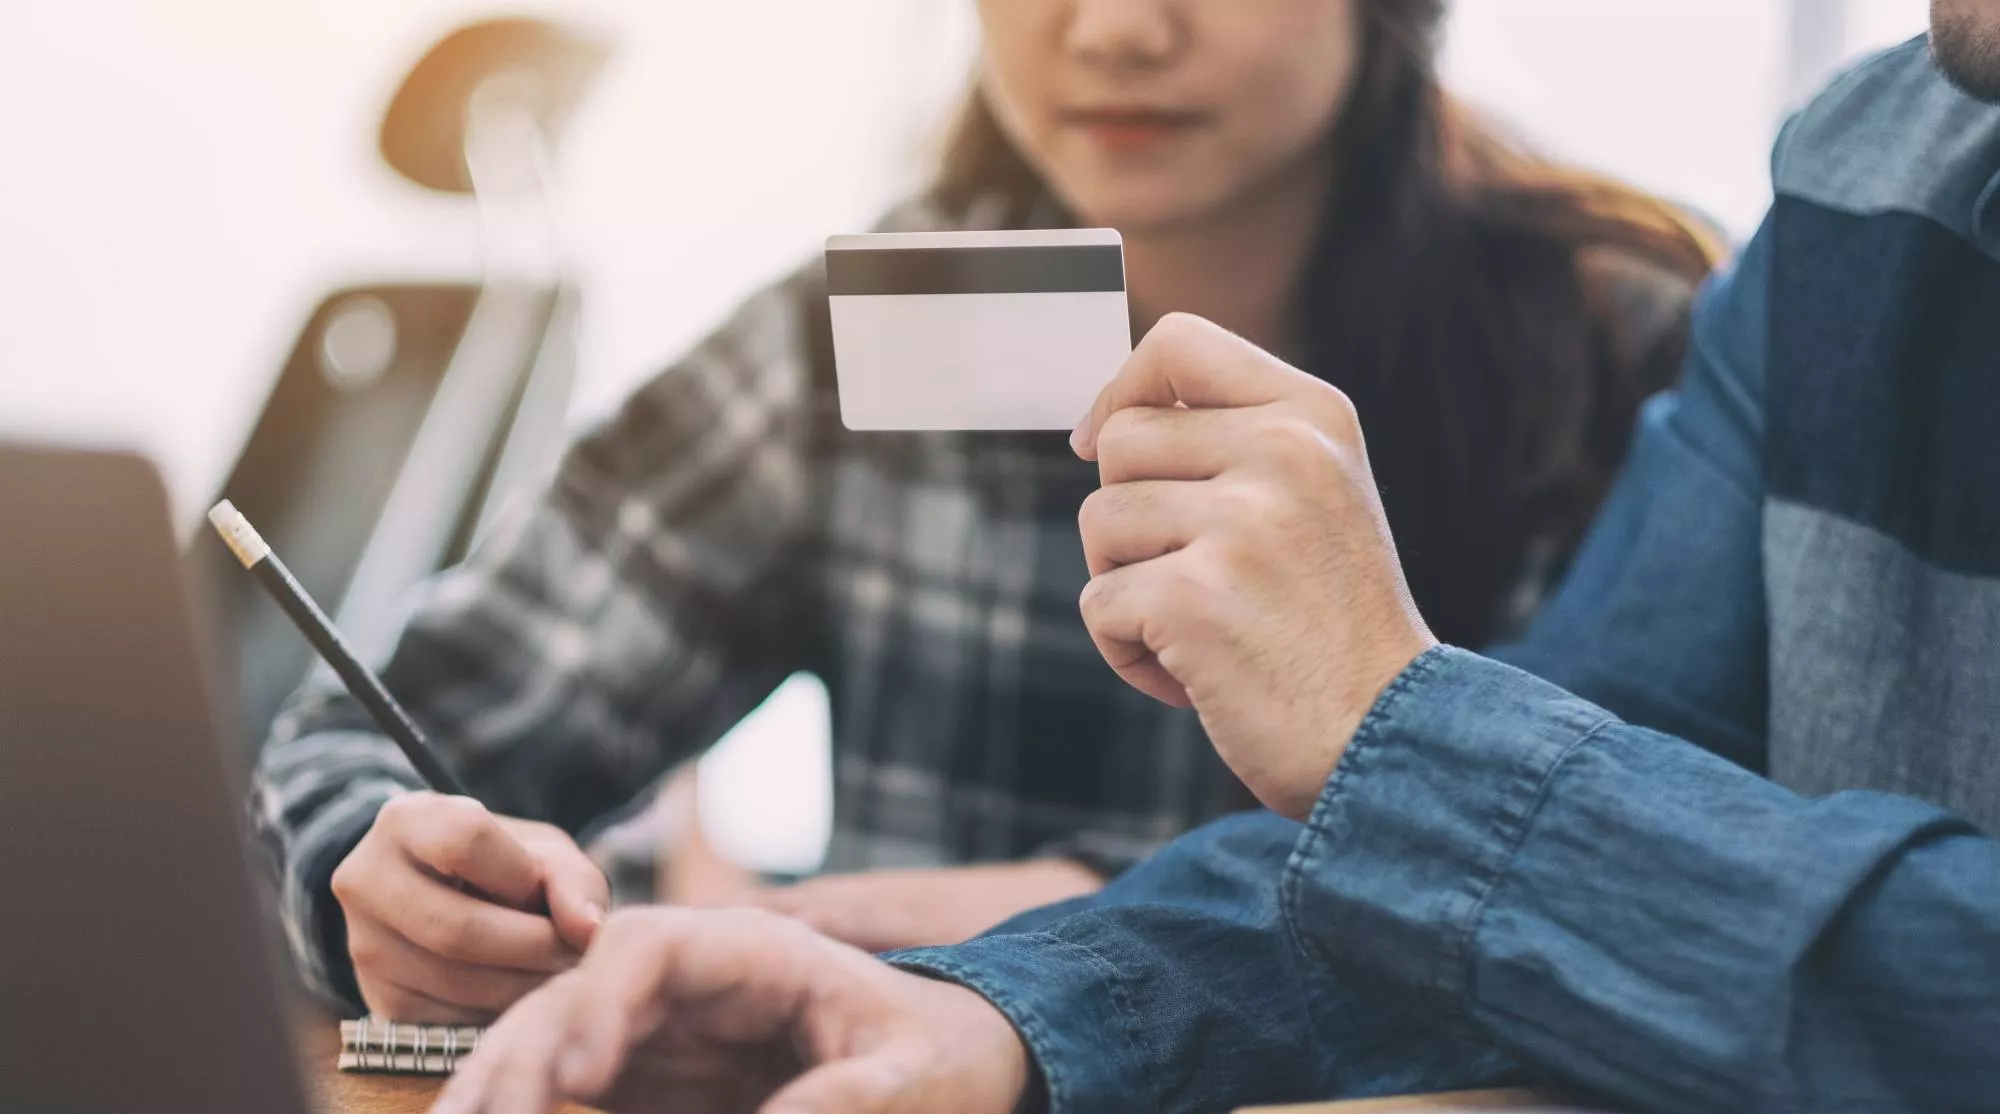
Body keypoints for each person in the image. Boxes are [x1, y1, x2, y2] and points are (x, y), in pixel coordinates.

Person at [424, 19, 2000, 1114]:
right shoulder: (1864, 183)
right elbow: (1591, 875)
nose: (1114, 28)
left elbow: (1562, 887)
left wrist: (1399, 738)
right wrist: (980, 1013)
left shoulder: (1615, 320)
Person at [253, 0, 1714, 1020]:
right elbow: (362, 744)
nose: (1116, 27)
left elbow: (1680, 917)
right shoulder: (845, 342)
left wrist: (1112, 924)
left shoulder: (1620, 349)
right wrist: (381, 879)